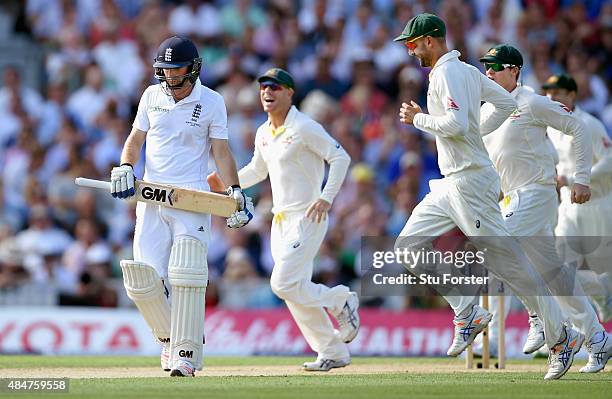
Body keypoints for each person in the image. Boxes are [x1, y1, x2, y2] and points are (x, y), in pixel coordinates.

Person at [393, 14, 585, 380]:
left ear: (431, 40)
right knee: (407, 247)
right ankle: (468, 312)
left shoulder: (451, 73)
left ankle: (562, 338)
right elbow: (505, 104)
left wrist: (418, 119)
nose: (409, 49)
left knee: (508, 264)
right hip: (451, 183)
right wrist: (475, 136)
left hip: (471, 184)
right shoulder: (464, 71)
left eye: (413, 42)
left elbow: (457, 125)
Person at [110, 36, 254, 377]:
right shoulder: (150, 95)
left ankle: (186, 355)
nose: (171, 78)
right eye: (165, 70)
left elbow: (221, 151)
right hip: (151, 195)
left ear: (193, 69)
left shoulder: (213, 101)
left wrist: (234, 189)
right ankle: (170, 340)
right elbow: (135, 140)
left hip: (190, 196)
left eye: (177, 71)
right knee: (144, 281)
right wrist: (126, 166)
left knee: (187, 275)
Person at [468, 48, 610, 374]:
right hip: (511, 198)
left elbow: (577, 128)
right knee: (555, 276)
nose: (488, 73)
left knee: (498, 249)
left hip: (537, 194)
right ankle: (597, 338)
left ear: (514, 70)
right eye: (485, 68)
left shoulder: (531, 101)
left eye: (495, 68)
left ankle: (549, 327)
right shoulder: (488, 110)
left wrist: (582, 179)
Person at [210, 68, 358, 371]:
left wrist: (326, 197)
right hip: (279, 221)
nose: (267, 92)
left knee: (282, 284)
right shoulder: (264, 132)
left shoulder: (304, 126)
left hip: (308, 215)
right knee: (294, 289)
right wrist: (229, 183)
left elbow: (340, 157)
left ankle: (340, 299)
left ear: (290, 92)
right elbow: (257, 170)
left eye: (275, 87)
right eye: (263, 87)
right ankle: (332, 351)